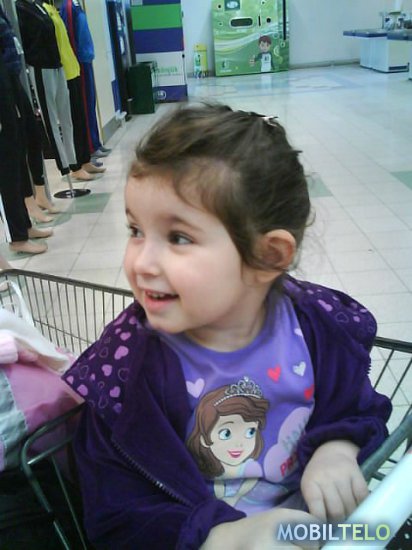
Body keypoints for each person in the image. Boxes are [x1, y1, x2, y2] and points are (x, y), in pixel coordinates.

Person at [63, 104, 392, 549]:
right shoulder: (129, 370)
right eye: (135, 230)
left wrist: (337, 447)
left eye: (178, 237)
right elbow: (116, 503)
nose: (140, 262)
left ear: (268, 256)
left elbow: (355, 405)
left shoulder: (316, 330)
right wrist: (217, 533)